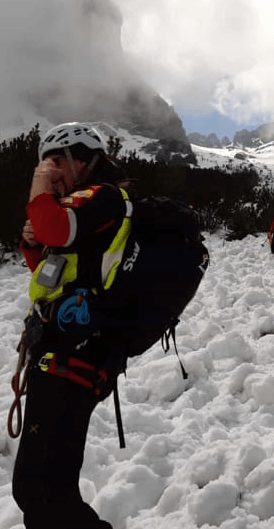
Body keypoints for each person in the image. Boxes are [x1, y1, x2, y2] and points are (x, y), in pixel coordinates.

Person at [12, 122, 132, 529]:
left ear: (79, 159)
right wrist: (34, 244)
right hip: (63, 351)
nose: (50, 173)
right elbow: (51, 275)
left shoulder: (101, 196)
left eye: (54, 163)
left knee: (42, 491)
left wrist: (40, 191)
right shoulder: (81, 207)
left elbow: (56, 229)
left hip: (76, 352)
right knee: (44, 490)